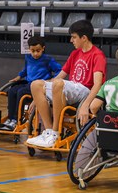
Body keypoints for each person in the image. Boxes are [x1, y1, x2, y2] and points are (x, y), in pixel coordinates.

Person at [26, 20, 107, 148]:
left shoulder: (98, 55)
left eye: (74, 37)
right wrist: (39, 95)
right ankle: (49, 132)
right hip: (70, 88)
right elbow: (60, 76)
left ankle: (56, 132)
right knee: (35, 84)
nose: (71, 40)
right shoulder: (75, 53)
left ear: (84, 38)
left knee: (58, 84)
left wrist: (86, 105)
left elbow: (97, 85)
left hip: (85, 91)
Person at [0, 36, 62, 131]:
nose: (35, 54)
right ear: (29, 49)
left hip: (39, 86)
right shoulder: (28, 58)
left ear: (43, 48)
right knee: (12, 91)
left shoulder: (47, 59)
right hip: (28, 83)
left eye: (38, 51)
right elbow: (25, 70)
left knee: (21, 92)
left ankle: (16, 119)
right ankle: (10, 118)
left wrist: (52, 80)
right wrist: (19, 77)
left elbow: (59, 70)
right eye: (33, 51)